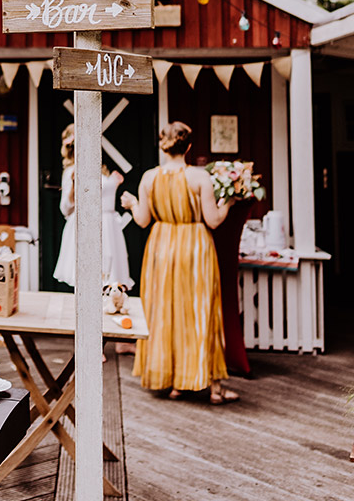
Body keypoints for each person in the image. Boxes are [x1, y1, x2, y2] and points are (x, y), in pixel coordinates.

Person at [120, 121, 239, 404]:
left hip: (161, 247)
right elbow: (213, 220)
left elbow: (142, 220)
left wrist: (132, 204)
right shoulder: (199, 177)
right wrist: (229, 203)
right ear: (187, 146)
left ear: (164, 145)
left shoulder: (149, 178)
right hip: (195, 247)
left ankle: (173, 382)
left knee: (165, 313)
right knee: (201, 312)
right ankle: (215, 388)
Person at [53, 125, 133, 290]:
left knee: (111, 277)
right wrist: (75, 185)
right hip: (88, 224)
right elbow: (65, 208)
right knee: (91, 277)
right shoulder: (71, 171)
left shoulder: (100, 167)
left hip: (109, 226)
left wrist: (113, 182)